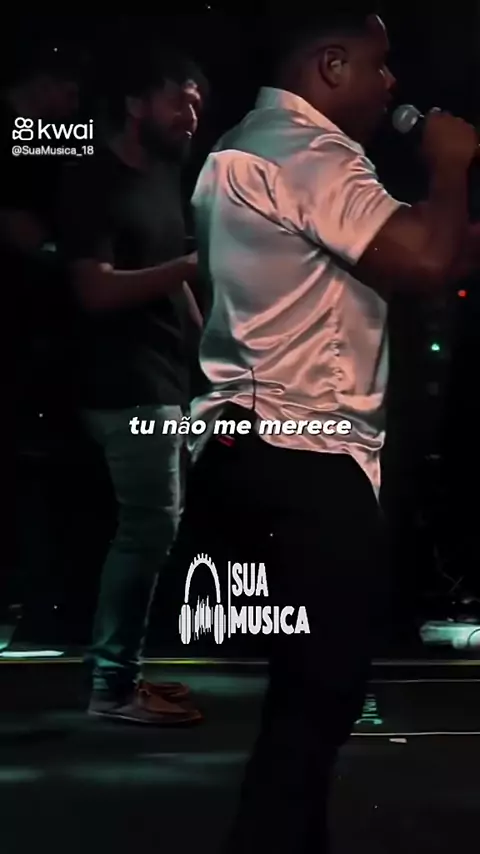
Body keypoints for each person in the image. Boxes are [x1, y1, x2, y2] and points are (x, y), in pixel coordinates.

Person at [183, 7, 480, 851]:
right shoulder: (304, 151)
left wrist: (448, 210)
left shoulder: (252, 145)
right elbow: (425, 261)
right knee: (320, 694)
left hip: (259, 446)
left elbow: (420, 247)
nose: (392, 85)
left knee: (312, 694)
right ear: (331, 65)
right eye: (379, 66)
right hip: (299, 454)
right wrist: (449, 164)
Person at [57, 46, 206, 724]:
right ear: (136, 104)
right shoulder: (93, 181)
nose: (191, 115)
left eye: (196, 103)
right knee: (147, 530)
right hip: (124, 383)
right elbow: (94, 290)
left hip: (166, 378)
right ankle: (113, 688)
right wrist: (188, 268)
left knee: (152, 531)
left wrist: (210, 353)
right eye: (180, 100)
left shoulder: (165, 174)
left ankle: (120, 677)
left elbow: (174, 274)